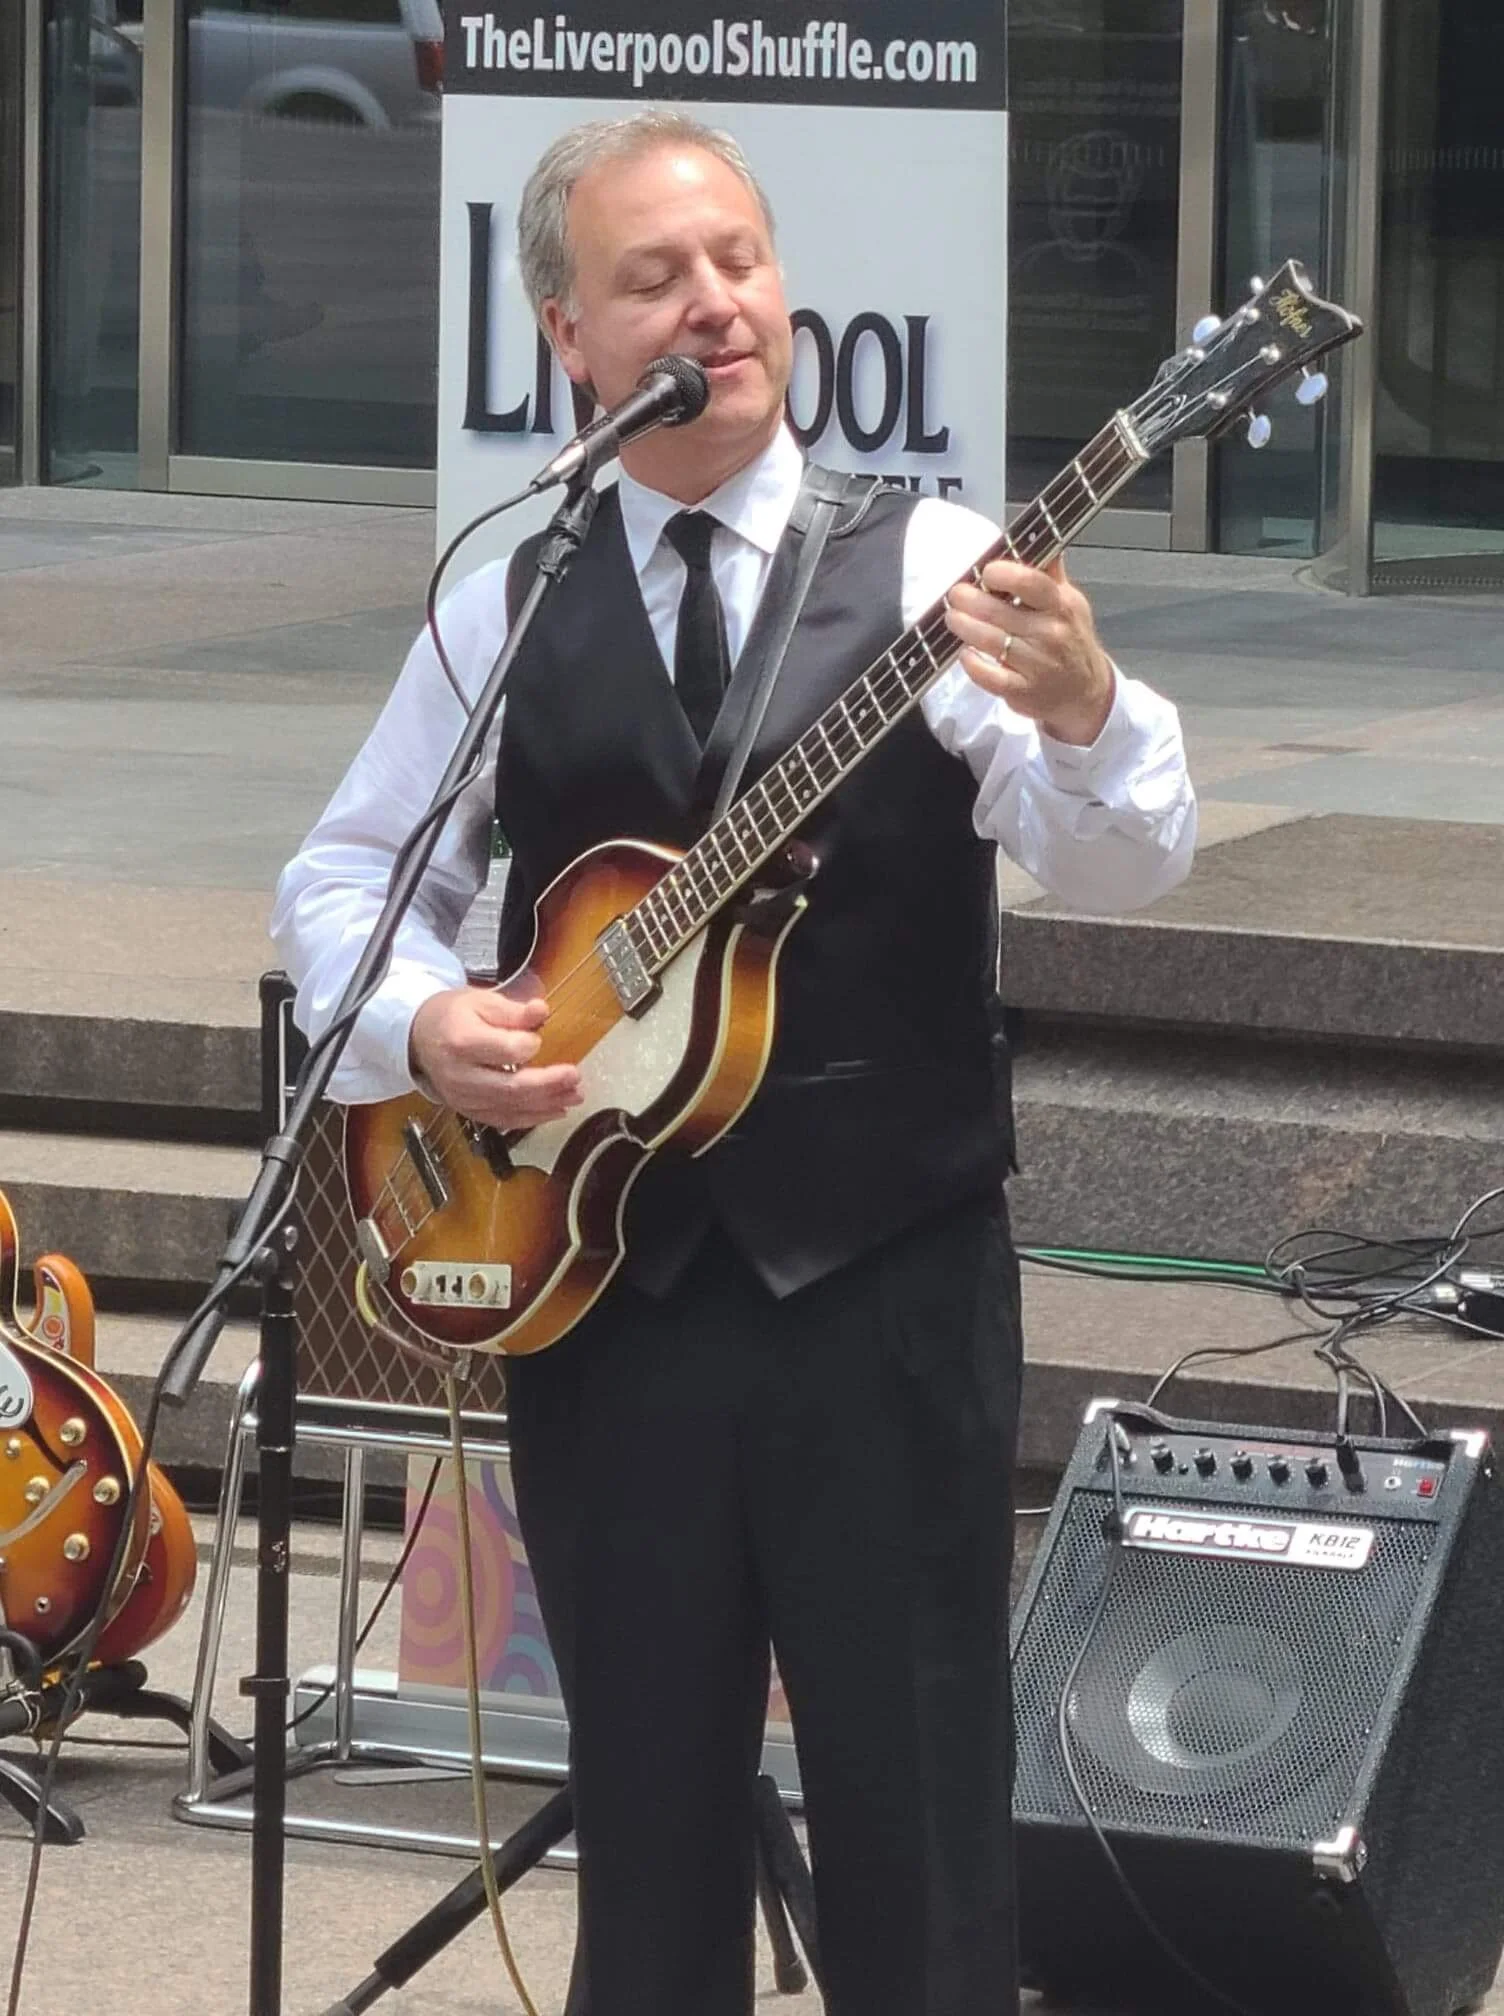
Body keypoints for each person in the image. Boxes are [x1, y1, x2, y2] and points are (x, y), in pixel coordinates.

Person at [273, 109, 1196, 2016]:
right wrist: (425, 1020)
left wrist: (1095, 709)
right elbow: (346, 875)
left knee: (920, 1814)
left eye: (741, 261)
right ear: (570, 343)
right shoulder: (507, 603)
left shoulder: (938, 566)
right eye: (655, 277)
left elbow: (1122, 853)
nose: (718, 303)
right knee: (650, 1823)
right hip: (609, 1299)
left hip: (884, 1286)